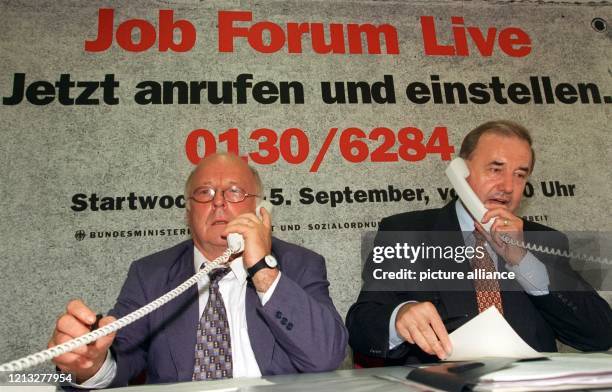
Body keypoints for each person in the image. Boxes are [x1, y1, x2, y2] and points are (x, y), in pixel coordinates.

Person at [49, 153, 348, 388]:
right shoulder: (150, 274)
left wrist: (262, 269)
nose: (218, 201)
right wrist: (91, 364)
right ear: (188, 214)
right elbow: (120, 357)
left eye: (234, 192)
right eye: (204, 193)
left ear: (261, 211)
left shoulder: (300, 264)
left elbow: (326, 357)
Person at [346, 120, 612, 365]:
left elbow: (600, 334)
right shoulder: (408, 232)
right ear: (460, 172)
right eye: (496, 169)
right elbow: (361, 326)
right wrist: (400, 317)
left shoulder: (545, 241)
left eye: (520, 175)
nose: (508, 186)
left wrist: (524, 261)